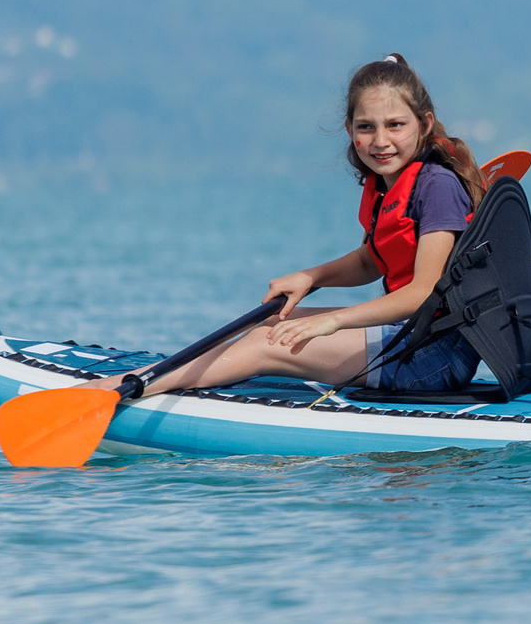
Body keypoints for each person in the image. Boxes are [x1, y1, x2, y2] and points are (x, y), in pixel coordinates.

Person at [94, 54, 489, 397]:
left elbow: (422, 294)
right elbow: (374, 260)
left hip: (436, 356)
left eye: (396, 125)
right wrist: (310, 277)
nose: (380, 140)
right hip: (413, 338)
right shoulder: (388, 185)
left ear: (424, 123)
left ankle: (139, 386)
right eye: (366, 127)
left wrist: (331, 321)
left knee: (267, 342)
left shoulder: (437, 186)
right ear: (350, 129)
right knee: (273, 319)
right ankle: (181, 378)